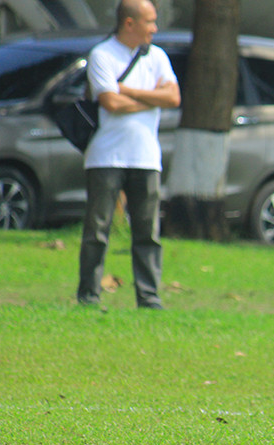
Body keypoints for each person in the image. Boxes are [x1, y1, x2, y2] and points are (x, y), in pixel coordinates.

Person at [77, 0, 180, 309]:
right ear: (130, 23)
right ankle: (88, 296)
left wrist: (129, 91)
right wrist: (152, 98)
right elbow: (110, 103)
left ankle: (149, 298)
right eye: (149, 21)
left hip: (146, 157)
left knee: (147, 233)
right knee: (97, 230)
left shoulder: (157, 57)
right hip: (106, 156)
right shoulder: (102, 55)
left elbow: (173, 97)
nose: (155, 27)